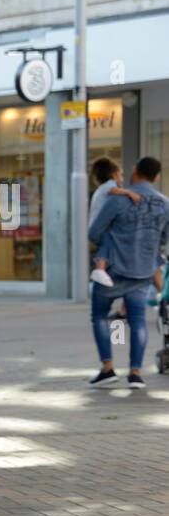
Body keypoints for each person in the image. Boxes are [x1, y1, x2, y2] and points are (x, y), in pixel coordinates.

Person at [87, 156, 169, 389]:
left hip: (112, 269)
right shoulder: (164, 203)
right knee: (137, 321)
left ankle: (108, 368)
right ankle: (135, 373)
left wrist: (108, 246)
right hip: (142, 271)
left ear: (134, 171)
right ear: (157, 177)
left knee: (101, 316)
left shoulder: (117, 200)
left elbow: (94, 232)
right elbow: (163, 239)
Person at [89, 157, 143, 288]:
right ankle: (100, 269)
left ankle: (103, 269)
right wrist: (130, 193)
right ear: (114, 175)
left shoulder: (101, 188)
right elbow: (113, 190)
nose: (122, 178)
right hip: (99, 227)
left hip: (96, 226)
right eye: (121, 174)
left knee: (107, 245)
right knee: (106, 243)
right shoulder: (109, 185)